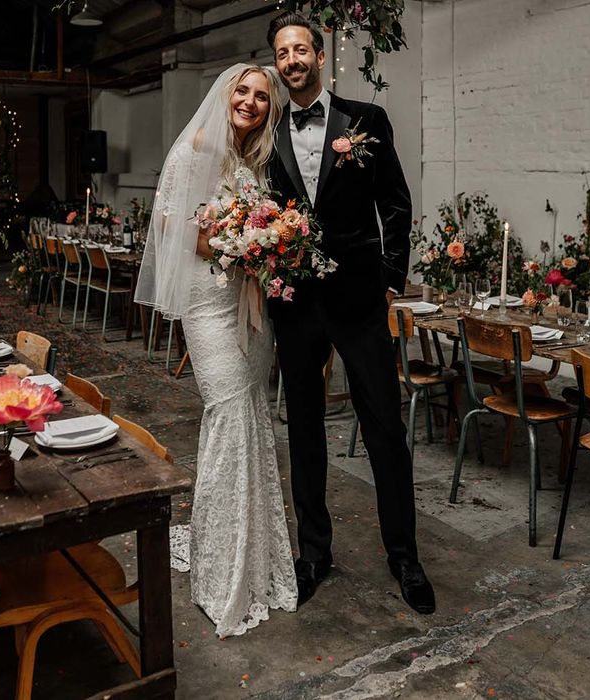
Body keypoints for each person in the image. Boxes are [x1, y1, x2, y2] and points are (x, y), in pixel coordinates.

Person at [266, 12, 436, 615]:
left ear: (320, 52)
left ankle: (404, 557)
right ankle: (314, 553)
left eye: (300, 49)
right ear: (277, 61)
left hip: (360, 300)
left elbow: (395, 202)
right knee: (305, 429)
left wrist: (390, 278)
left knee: (385, 429)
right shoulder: (267, 131)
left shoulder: (366, 120)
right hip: (295, 304)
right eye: (282, 52)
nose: (292, 60)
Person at [134, 64, 297, 637]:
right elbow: (173, 227)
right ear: (226, 95)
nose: (251, 102)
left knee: (253, 416)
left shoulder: (252, 163)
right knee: (227, 415)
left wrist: (267, 245)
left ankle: (254, 556)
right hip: (208, 305)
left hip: (250, 308)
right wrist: (238, 242)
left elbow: (251, 225)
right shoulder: (191, 153)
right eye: (244, 91)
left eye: (261, 96)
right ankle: (220, 568)